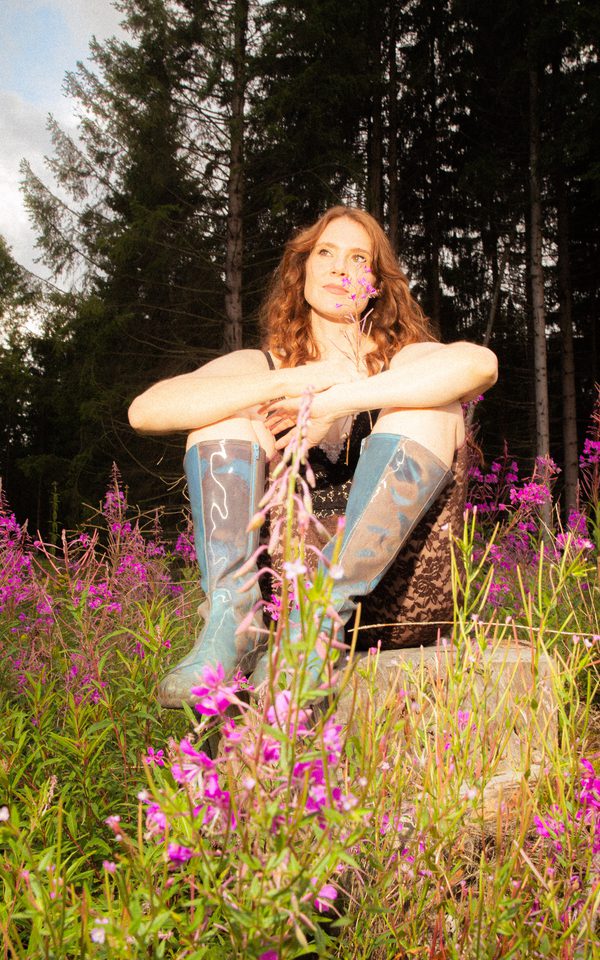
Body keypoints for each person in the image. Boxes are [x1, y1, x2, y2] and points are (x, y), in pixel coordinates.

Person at [128, 206, 497, 707]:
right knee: (223, 411)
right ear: (301, 270)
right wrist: (286, 382)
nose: (340, 268)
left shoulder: (402, 360)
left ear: (377, 283)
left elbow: (480, 364)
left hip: (396, 599)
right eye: (325, 253)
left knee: (430, 407)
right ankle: (232, 623)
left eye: (357, 258)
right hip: (283, 601)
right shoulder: (263, 364)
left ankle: (325, 620)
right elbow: (146, 410)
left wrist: (333, 400)